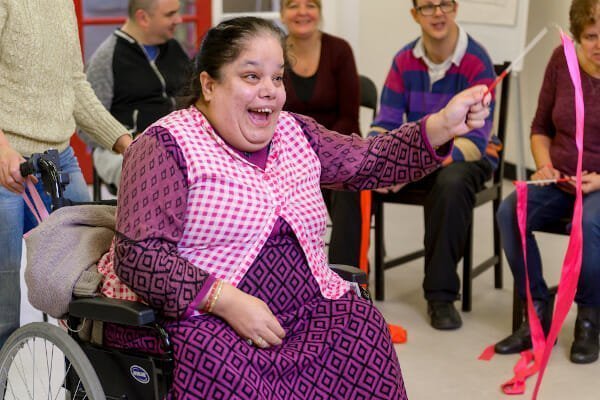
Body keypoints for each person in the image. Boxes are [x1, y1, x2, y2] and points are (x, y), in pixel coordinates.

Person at [99, 16, 491, 399]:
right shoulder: (164, 146)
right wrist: (227, 301)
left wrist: (442, 124)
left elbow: (368, 160)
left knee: (361, 326)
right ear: (209, 84)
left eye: (278, 77)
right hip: (204, 316)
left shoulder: (295, 131)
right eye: (251, 76)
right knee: (219, 365)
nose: (270, 90)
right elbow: (140, 256)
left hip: (303, 306)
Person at [0, 0, 131, 349]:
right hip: (6, 158)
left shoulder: (62, 4)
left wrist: (125, 143)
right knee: (4, 293)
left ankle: (85, 379)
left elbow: (75, 84)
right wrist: (2, 147)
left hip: (60, 156)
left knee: (91, 276)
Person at [369, 0, 497, 330]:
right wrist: (380, 160)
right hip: (419, 155)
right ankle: (349, 283)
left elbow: (476, 141)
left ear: (456, 8)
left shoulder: (476, 61)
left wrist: (410, 166)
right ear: (414, 15)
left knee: (451, 184)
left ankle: (440, 296)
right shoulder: (403, 61)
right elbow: (385, 123)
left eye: (445, 3)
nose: (437, 13)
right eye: (427, 6)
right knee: (359, 171)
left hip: (466, 158)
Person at [494, 0, 600, 364]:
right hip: (562, 180)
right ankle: (536, 312)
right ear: (576, 35)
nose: (599, 44)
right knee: (511, 211)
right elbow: (541, 128)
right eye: (590, 36)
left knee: (588, 223)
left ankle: (589, 319)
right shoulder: (561, 60)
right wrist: (544, 165)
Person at [279, 0, 363, 267]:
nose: (302, 12)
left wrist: (318, 152)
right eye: (293, 5)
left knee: (348, 188)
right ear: (282, 14)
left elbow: (349, 116)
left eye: (311, 4)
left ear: (320, 12)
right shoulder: (274, 51)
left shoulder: (339, 50)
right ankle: (293, 273)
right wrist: (299, 154)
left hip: (336, 150)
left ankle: (344, 276)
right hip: (286, 153)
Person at [83, 0, 190, 188]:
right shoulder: (106, 58)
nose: (179, 19)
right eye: (170, 14)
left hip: (179, 142)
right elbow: (86, 125)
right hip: (118, 150)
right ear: (143, 17)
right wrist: (128, 138)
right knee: (159, 174)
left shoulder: (174, 48)